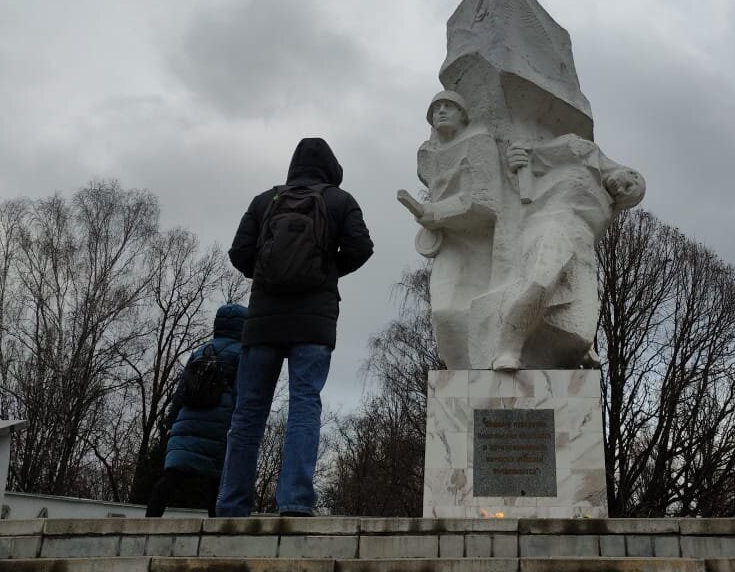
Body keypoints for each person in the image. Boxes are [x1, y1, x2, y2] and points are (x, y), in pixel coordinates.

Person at [217, 138, 373, 517]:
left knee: (248, 413)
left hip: (263, 321)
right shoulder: (341, 200)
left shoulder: (264, 201)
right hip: (314, 321)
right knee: (304, 406)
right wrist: (325, 271)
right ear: (330, 167)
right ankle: (295, 502)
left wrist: (268, 276)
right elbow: (361, 247)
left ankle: (232, 504)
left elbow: (239, 252)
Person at [493, 134, 645, 371]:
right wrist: (520, 156)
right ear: (631, 172)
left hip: (582, 252)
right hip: (552, 227)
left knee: (584, 328)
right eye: (628, 184)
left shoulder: (607, 210)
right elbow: (533, 152)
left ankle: (572, 353)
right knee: (541, 283)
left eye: (626, 194)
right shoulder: (584, 153)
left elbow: (595, 236)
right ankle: (508, 348)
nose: (621, 189)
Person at [406, 90, 502, 368]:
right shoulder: (429, 155)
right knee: (444, 314)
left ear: (463, 113)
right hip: (450, 243)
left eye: (449, 106)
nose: (441, 112)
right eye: (436, 109)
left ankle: (488, 377)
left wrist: (436, 213)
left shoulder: (479, 143)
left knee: (480, 316)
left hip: (482, 244)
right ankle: (464, 389)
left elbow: (486, 203)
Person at [146, 303, 247, 517]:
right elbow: (240, 393)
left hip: (187, 422)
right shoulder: (240, 354)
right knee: (217, 483)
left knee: (171, 476)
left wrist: (172, 423)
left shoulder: (200, 351)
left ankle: (149, 522)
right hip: (219, 427)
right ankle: (215, 532)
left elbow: (181, 390)